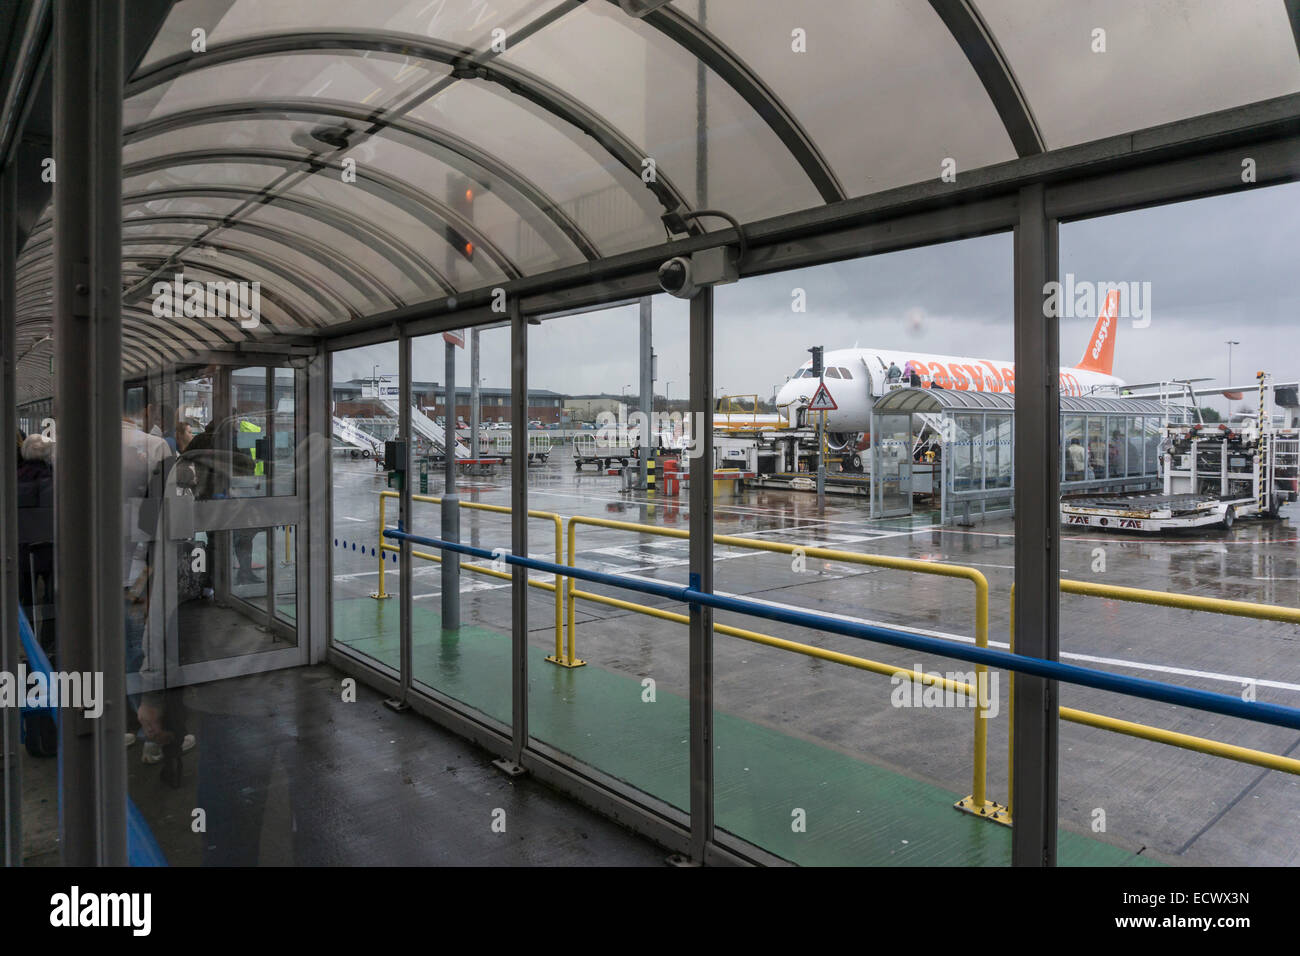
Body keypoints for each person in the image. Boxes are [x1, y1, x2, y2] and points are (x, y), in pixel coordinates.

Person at [17, 434, 55, 658]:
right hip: (47, 549)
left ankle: (27, 645)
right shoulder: (50, 480)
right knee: (51, 601)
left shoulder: (15, 477)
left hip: (22, 549)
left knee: (27, 599)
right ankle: (47, 644)